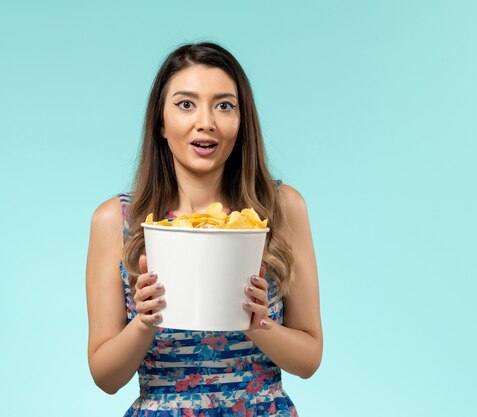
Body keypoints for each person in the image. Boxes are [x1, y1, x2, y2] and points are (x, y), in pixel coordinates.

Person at [86, 41, 323, 416]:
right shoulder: (117, 221)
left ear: (242, 121)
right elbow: (105, 376)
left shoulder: (282, 209)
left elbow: (309, 359)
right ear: (161, 123)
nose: (206, 121)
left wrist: (259, 324)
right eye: (186, 104)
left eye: (224, 105)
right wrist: (144, 323)